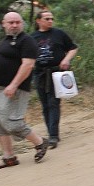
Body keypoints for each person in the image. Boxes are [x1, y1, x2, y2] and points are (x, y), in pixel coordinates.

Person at [0, 12, 50, 170]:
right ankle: (9, 157)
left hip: (14, 89)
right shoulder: (6, 40)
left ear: (22, 23)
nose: (14, 25)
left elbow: (27, 65)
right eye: (11, 22)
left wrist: (13, 85)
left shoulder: (27, 41)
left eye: (17, 22)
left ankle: (40, 142)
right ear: (4, 24)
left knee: (12, 123)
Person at [31, 10, 78, 148]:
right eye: (47, 18)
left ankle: (53, 136)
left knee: (53, 103)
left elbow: (73, 48)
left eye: (51, 18)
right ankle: (51, 131)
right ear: (38, 21)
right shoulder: (32, 37)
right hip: (39, 74)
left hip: (56, 73)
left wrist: (66, 59)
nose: (50, 21)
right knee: (45, 105)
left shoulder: (59, 34)